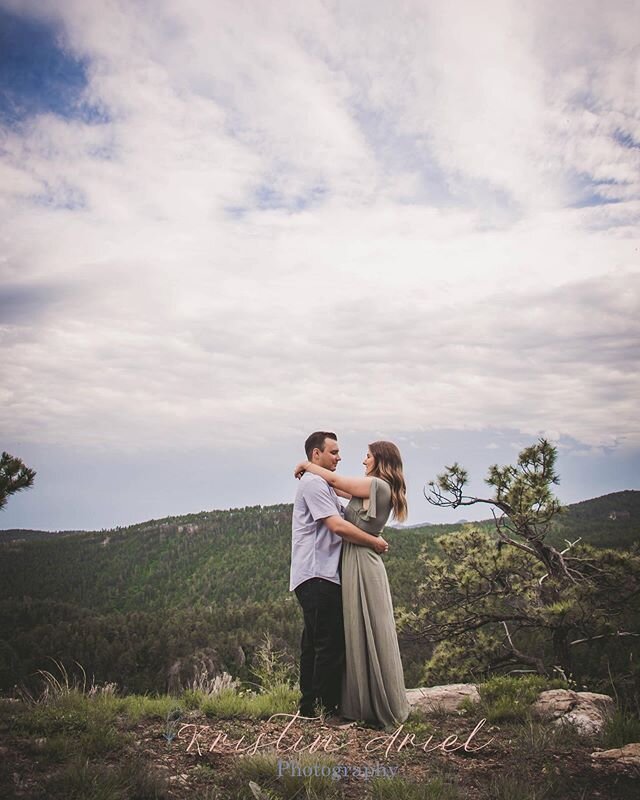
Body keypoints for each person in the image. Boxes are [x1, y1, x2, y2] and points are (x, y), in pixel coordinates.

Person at [294, 440, 409, 729]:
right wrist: (313, 472)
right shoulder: (371, 487)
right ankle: (333, 704)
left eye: (368, 456)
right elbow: (335, 487)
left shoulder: (377, 486)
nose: (362, 461)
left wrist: (307, 465)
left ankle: (364, 703)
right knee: (351, 632)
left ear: (380, 460)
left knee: (367, 629)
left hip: (361, 563)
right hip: (350, 564)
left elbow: (333, 481)